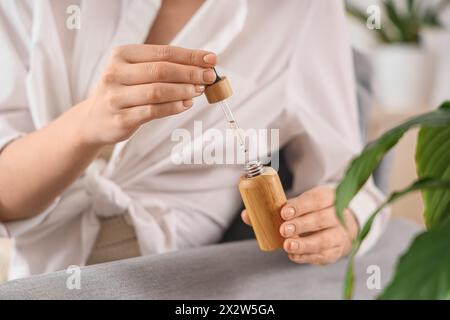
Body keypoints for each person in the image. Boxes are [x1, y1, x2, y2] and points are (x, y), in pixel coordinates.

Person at [0, 0, 389, 280]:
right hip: (40, 280)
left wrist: (341, 220)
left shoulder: (302, 11)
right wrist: (88, 123)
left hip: (187, 282)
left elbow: (350, 181)